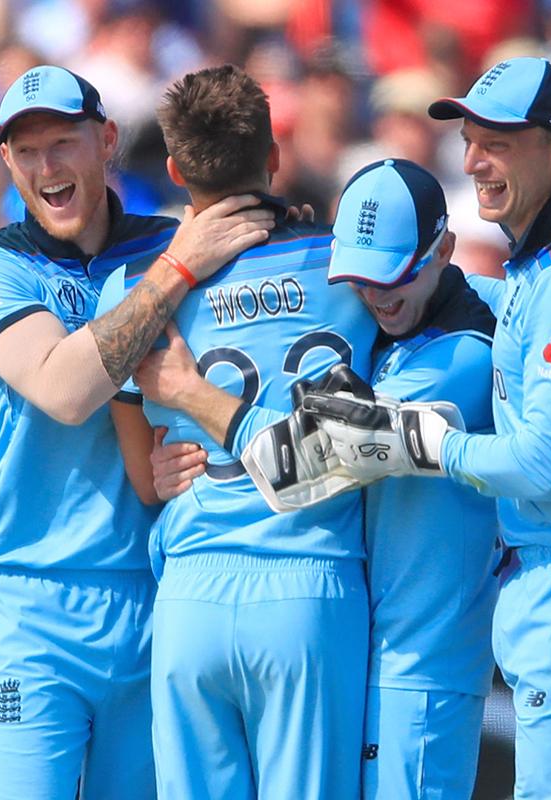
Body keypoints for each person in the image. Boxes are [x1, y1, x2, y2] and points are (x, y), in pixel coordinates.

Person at [304, 57, 551, 799]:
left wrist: (429, 442)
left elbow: (547, 467)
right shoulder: (538, 270)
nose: (475, 159)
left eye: (499, 142)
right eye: (472, 139)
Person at [0, 65, 275, 798]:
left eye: (63, 143)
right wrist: (177, 269)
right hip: (30, 612)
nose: (45, 167)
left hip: (159, 596)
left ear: (106, 141)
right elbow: (65, 392)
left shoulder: (170, 243)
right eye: (25, 152)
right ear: (5, 160)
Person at [148, 158, 502, 799]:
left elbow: (303, 463)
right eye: (361, 279)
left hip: (421, 665)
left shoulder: (461, 354)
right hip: (377, 651)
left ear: (444, 249)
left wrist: (187, 394)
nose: (377, 296)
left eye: (395, 275)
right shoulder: (403, 329)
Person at [94, 64, 377, 800]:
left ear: (177, 168)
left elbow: (141, 474)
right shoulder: (350, 267)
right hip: (310, 581)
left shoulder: (132, 290)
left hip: (190, 591)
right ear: (274, 156)